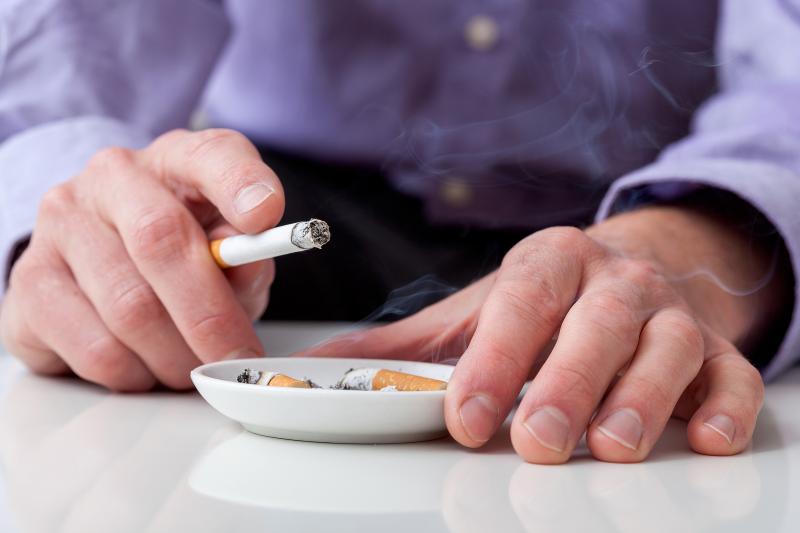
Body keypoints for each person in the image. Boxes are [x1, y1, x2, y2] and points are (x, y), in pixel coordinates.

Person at [0, 0, 797, 465]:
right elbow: (71, 55)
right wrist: (77, 229)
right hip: (279, 209)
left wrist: (697, 241)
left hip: (647, 223)